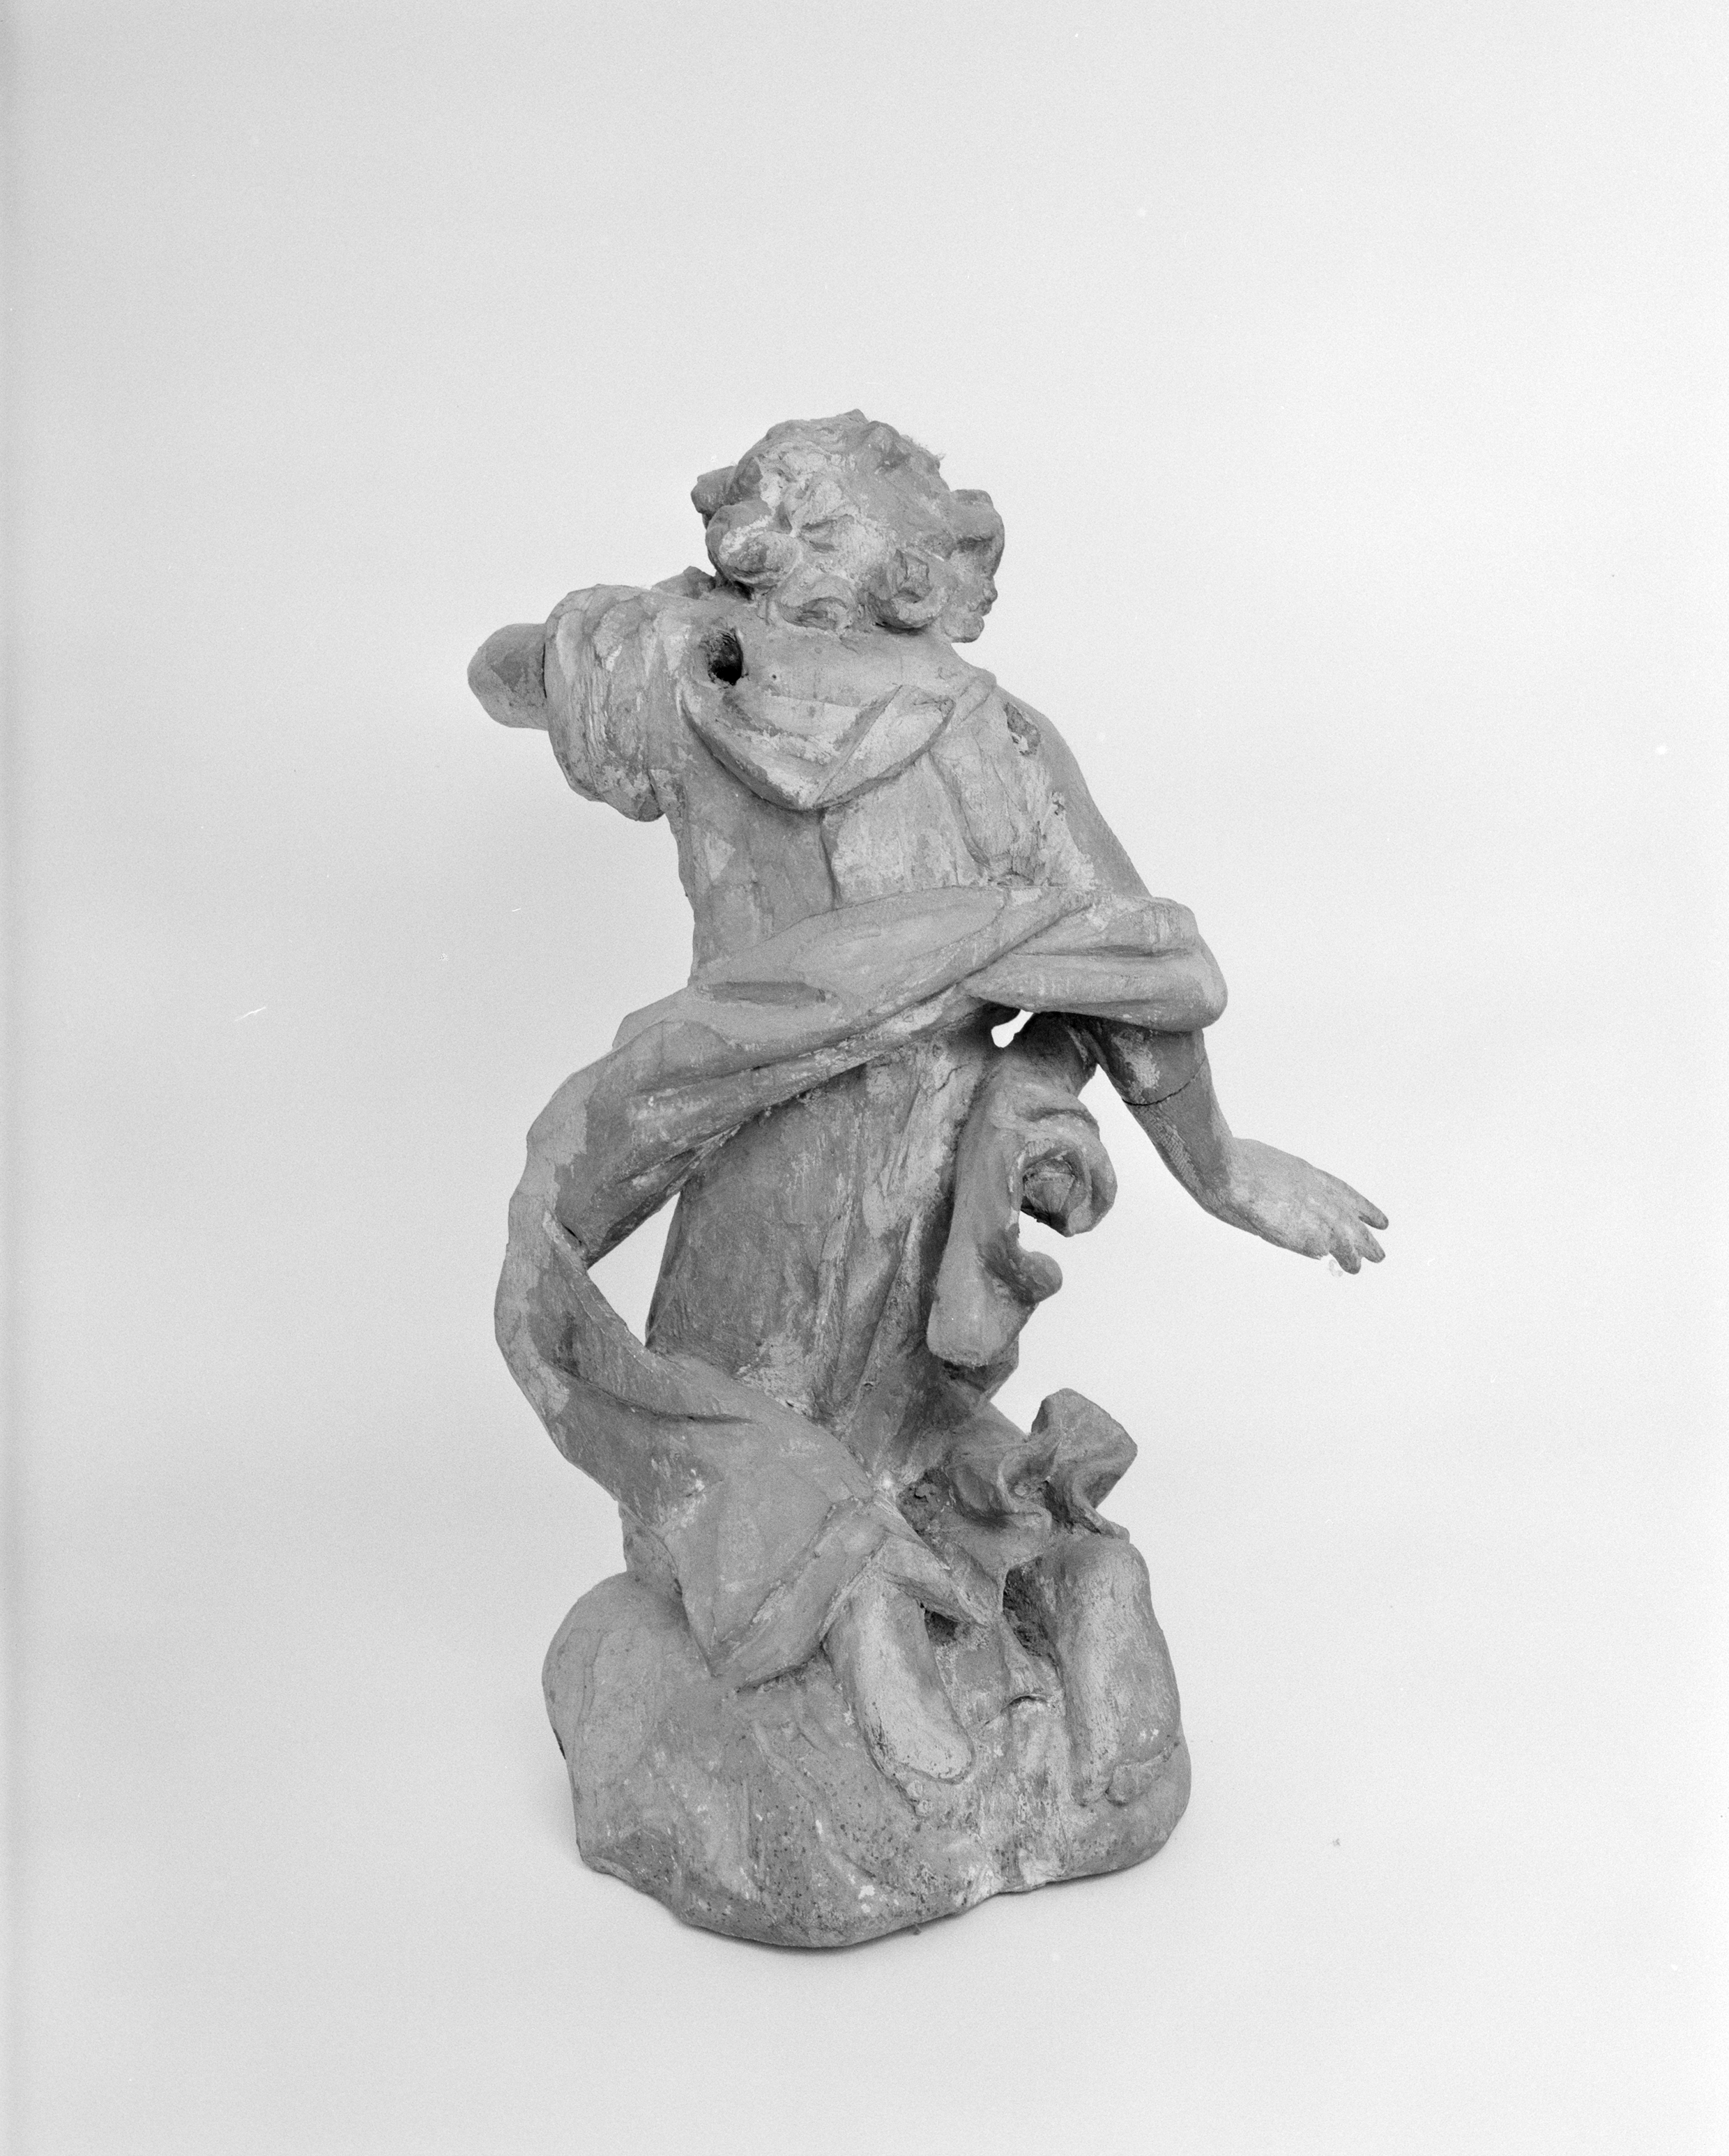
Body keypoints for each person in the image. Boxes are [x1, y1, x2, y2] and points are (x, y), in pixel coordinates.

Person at [471, 412, 1387, 1796]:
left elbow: (501, 678)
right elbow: (1129, 964)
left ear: (768, 547)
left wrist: (629, 626)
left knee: (720, 1432)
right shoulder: (994, 736)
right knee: (904, 1426)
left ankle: (867, 1609)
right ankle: (1065, 1576)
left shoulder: (694, 681)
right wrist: (1219, 1166)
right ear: (918, 563)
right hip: (932, 1159)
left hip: (762, 1146)